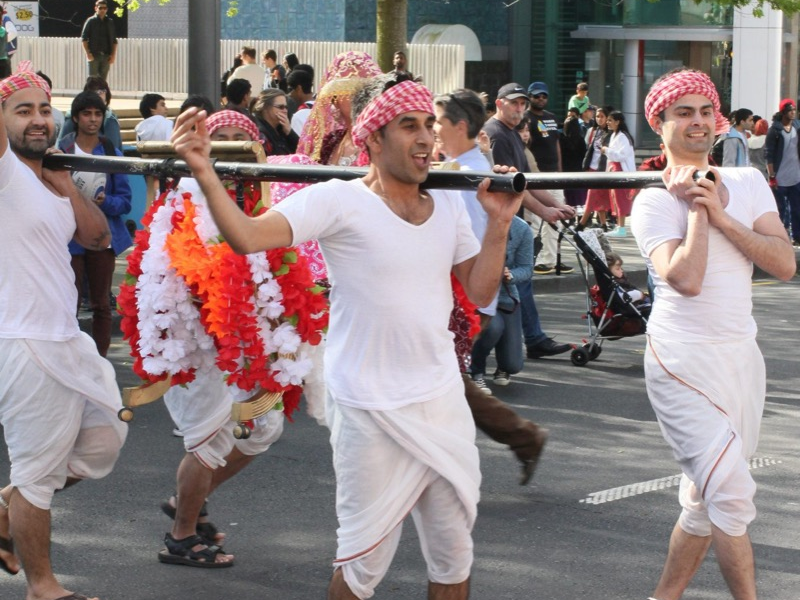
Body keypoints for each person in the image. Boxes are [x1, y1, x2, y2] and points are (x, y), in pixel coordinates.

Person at [171, 78, 524, 600]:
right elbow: (246, 236)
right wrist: (203, 170)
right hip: (367, 408)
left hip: (441, 401)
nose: (426, 137)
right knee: (362, 566)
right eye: (410, 126)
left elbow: (477, 289)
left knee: (453, 558)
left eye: (430, 124)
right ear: (373, 140)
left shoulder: (448, 204)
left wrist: (499, 225)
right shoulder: (338, 200)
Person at [631, 68, 795, 600]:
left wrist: (722, 215)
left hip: (740, 357)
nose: (698, 122)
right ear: (660, 125)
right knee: (729, 495)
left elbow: (784, 264)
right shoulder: (651, 199)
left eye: (706, 111)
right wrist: (699, 208)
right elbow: (686, 279)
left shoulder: (746, 183)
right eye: (684, 113)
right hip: (682, 360)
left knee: (705, 504)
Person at [0, 63, 128, 600]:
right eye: (21, 109)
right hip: (25, 340)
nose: (37, 120)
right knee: (38, 471)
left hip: (66, 338)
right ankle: (43, 586)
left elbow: (98, 238)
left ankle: (7, 509)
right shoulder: (4, 169)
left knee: (104, 441)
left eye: (44, 109)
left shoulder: (48, 175)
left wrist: (63, 182)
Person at [155, 109, 285, 569]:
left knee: (264, 427)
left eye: (237, 140)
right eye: (219, 139)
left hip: (247, 340)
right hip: (198, 338)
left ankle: (186, 500)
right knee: (208, 438)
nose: (227, 148)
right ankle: (182, 534)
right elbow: (181, 272)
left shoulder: (262, 199)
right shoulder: (187, 197)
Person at [433, 89, 548, 485]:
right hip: (463, 294)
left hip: (461, 295)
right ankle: (523, 437)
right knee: (448, 383)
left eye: (436, 122)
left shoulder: (463, 176)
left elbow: (460, 244)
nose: (431, 131)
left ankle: (456, 468)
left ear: (459, 126)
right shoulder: (459, 169)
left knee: (443, 385)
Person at [482, 82, 575, 360]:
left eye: (523, 103)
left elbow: (525, 182)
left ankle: (528, 339)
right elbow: (510, 186)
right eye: (514, 103)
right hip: (500, 218)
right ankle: (515, 344)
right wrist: (546, 211)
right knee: (515, 280)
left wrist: (556, 204)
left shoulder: (509, 133)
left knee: (518, 280)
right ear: (499, 104)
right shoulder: (495, 135)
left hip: (511, 219)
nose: (520, 108)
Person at [58, 90, 133, 357]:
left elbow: (125, 201)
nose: (92, 119)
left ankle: (101, 361)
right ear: (76, 118)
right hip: (70, 238)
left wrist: (105, 202)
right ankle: (70, 358)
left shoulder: (112, 152)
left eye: (97, 114)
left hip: (102, 237)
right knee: (70, 301)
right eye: (87, 114)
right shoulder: (60, 153)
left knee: (102, 303)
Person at [526, 81, 573, 274]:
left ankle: (550, 260)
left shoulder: (552, 118)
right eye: (537, 96)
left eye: (544, 96)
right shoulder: (525, 118)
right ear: (530, 97)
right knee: (535, 220)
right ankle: (528, 259)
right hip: (536, 176)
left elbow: (556, 145)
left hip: (554, 175)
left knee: (557, 219)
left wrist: (560, 173)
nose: (541, 99)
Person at [765, 98, 800, 245]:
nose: (793, 113)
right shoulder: (775, 130)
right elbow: (768, 153)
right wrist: (772, 175)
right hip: (779, 176)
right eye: (790, 110)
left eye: (794, 110)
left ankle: (797, 237)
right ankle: (780, 236)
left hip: (796, 176)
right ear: (783, 112)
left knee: (797, 209)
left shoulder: (797, 127)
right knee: (780, 209)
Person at [58, 76, 122, 151]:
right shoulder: (71, 120)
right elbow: (61, 148)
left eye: (101, 91)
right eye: (87, 114)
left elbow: (115, 153)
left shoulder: (111, 120)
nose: (93, 119)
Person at [602, 110, 636, 237]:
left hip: (620, 170)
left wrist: (606, 150)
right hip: (614, 169)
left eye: (610, 120)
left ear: (618, 122)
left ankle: (621, 227)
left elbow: (621, 155)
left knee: (620, 198)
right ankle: (618, 226)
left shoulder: (622, 136)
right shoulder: (614, 135)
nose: (608, 123)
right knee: (615, 198)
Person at [578, 106, 612, 231]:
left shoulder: (611, 133)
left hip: (602, 169)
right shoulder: (595, 131)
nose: (599, 119)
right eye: (597, 116)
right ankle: (603, 225)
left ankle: (581, 224)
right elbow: (590, 149)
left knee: (592, 197)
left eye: (602, 116)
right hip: (592, 167)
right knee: (597, 197)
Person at [253, 89, 298, 155]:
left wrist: (289, 132)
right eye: (280, 107)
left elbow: (301, 150)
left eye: (286, 107)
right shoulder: (260, 133)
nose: (285, 111)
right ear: (265, 108)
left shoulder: (282, 129)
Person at [80, 0, 117, 81]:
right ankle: (91, 94)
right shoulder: (91, 21)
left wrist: (113, 55)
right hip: (94, 55)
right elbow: (84, 38)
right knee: (92, 81)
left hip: (106, 56)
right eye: (100, 8)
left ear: (107, 9)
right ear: (96, 8)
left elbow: (114, 40)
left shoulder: (110, 22)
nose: (103, 10)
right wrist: (88, 53)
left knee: (102, 82)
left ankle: (101, 94)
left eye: (105, 8)